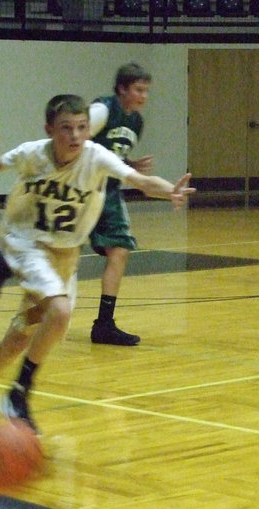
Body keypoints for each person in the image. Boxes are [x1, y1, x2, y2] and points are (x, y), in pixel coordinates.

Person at [0, 94, 194, 438]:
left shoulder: (96, 157)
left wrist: (169, 190)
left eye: (82, 127)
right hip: (29, 243)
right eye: (66, 128)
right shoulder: (33, 154)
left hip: (66, 256)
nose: (75, 135)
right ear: (50, 130)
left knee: (19, 339)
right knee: (61, 311)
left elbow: (140, 181)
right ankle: (19, 395)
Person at [87, 63, 155, 346]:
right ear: (122, 89)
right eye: (139, 90)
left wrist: (130, 164)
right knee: (55, 249)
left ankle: (104, 323)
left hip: (109, 191)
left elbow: (111, 155)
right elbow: (73, 142)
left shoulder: (136, 122)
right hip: (82, 188)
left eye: (146, 91)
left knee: (120, 249)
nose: (144, 96)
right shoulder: (102, 111)